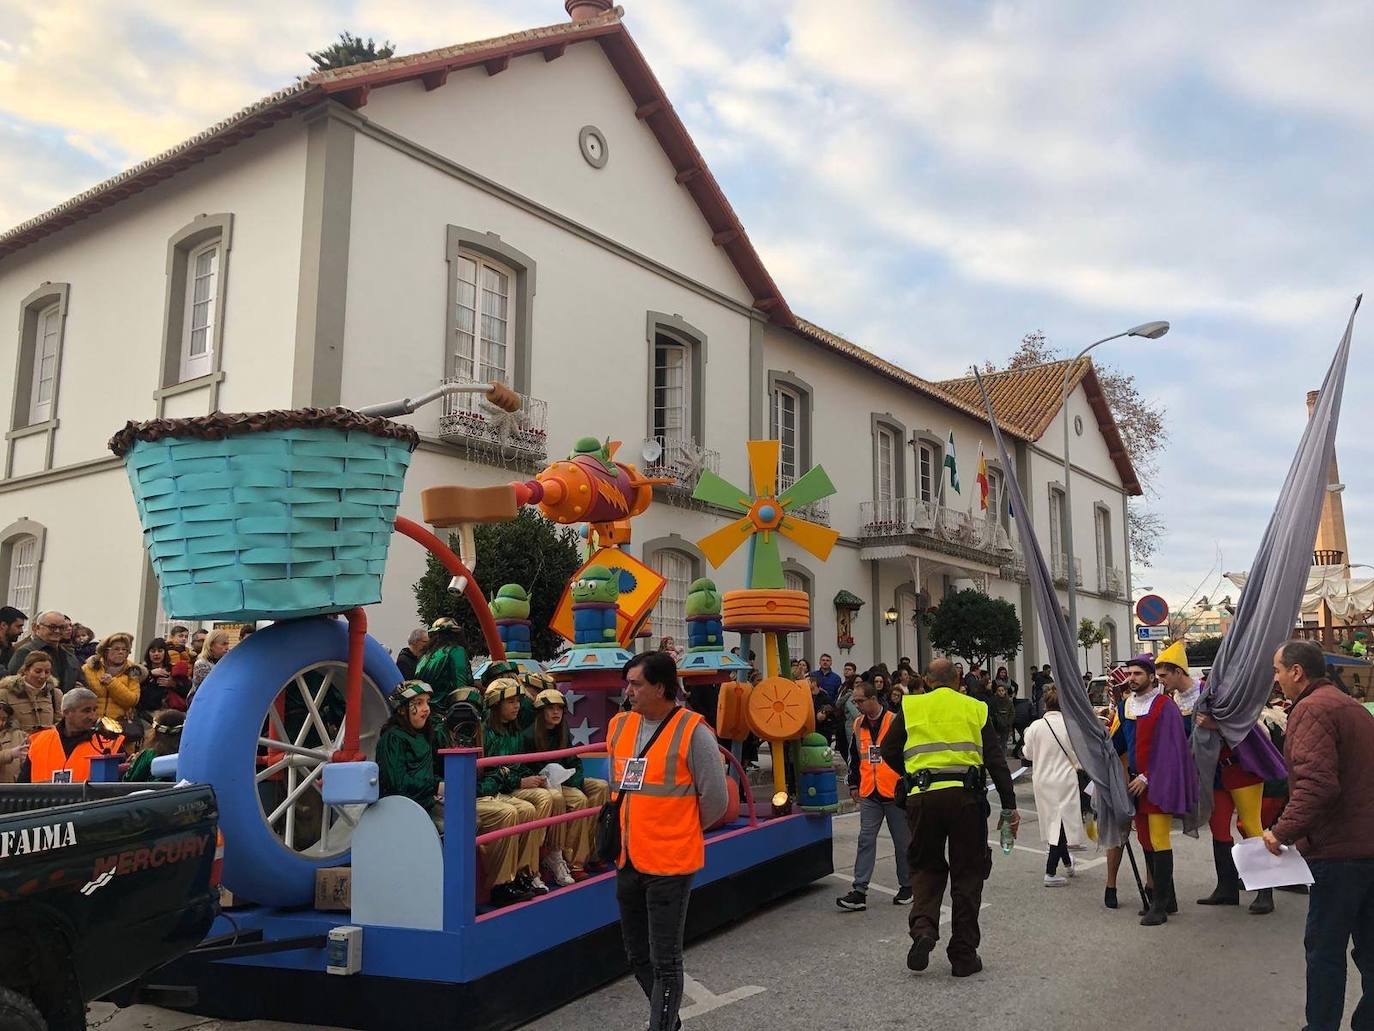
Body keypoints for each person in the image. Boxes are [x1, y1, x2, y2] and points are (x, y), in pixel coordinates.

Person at [609, 651, 727, 1031]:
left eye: (636, 684)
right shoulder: (619, 727)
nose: (628, 691)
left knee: (666, 958)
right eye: (627, 682)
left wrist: (680, 829)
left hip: (670, 863)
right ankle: (669, 1022)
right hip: (628, 859)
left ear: (661, 687)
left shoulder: (694, 732)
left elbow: (716, 800)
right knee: (636, 955)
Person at [880, 657, 1018, 977]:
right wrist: (1009, 808)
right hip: (966, 799)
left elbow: (888, 749)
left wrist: (914, 774)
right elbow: (996, 761)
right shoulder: (975, 708)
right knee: (968, 873)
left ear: (926, 681)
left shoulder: (911, 707)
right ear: (958, 680)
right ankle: (963, 954)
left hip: (922, 798)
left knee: (925, 866)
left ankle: (925, 929)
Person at [1263, 639, 1374, 1031]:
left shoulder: (1310, 709)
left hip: (1338, 852)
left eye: (1278, 670)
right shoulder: (1352, 707)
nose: (1276, 679)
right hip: (1366, 846)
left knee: (1325, 951)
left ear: (1297, 672)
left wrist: (1281, 832)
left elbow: (1317, 786)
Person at [1165, 640, 1285, 916]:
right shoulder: (1175, 701)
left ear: (1178, 672)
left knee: (1253, 827)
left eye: (1164, 674)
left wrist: (1216, 724)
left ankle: (1264, 892)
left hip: (1241, 769)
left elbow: (1244, 719)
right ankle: (1227, 888)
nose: (1161, 680)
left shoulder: (1216, 691)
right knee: (1219, 830)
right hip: (1213, 774)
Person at [1112, 654, 1197, 925]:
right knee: (1145, 840)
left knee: (1160, 840)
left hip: (1158, 781)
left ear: (1150, 677)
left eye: (1138, 674)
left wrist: (1148, 777)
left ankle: (1159, 906)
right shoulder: (1125, 706)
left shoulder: (1164, 706)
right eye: (1130, 673)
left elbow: (1172, 749)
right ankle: (1166, 898)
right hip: (1135, 784)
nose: (1133, 678)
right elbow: (1119, 744)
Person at [482, 677, 565, 892]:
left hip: (510, 786)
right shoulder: (485, 732)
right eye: (510, 701)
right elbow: (491, 773)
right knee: (529, 806)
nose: (517, 705)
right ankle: (525, 870)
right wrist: (518, 779)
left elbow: (517, 766)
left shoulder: (514, 731)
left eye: (518, 701)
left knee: (547, 795)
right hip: (496, 790)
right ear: (495, 705)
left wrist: (527, 777)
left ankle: (530, 868)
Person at [836, 680, 912, 910]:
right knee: (865, 839)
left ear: (873, 699)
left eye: (860, 701)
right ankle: (859, 891)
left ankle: (908, 886)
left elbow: (908, 754)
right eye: (855, 701)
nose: (857, 705)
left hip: (894, 792)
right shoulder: (859, 724)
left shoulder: (894, 721)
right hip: (870, 791)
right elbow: (854, 756)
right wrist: (853, 783)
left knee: (903, 842)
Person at [524, 687, 609, 877]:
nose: (556, 712)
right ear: (541, 711)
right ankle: (574, 861)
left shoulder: (563, 731)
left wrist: (576, 781)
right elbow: (529, 769)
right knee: (579, 799)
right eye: (551, 708)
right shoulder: (529, 736)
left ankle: (595, 851)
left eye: (560, 708)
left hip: (566, 780)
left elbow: (573, 761)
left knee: (601, 786)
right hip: (543, 784)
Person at [1022, 687, 1085, 886]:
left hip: (1042, 779)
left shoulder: (1035, 726)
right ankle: (1050, 871)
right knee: (1061, 823)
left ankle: (1067, 863)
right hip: (1065, 779)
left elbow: (1028, 754)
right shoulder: (1071, 726)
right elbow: (1079, 756)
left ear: (1045, 704)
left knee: (1054, 822)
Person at [376, 681, 446, 830]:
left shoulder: (423, 735)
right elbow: (397, 783)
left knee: (471, 821)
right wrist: (435, 786)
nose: (426, 709)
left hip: (425, 803)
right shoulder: (393, 738)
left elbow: (428, 772)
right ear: (402, 709)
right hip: (402, 810)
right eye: (419, 703)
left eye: (427, 702)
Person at [20, 688, 124, 783]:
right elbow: (22, 788)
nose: (93, 716)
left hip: (91, 803)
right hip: (45, 803)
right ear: (66, 713)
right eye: (86, 711)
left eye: (94, 710)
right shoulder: (40, 741)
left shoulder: (110, 743)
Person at [414, 617, 475, 718]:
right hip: (448, 713)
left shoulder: (424, 657)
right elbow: (461, 686)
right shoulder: (456, 651)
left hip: (426, 713)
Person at [6, 610, 79, 692]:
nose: (57, 631)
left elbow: (81, 682)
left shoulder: (69, 654)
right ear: (37, 628)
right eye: (52, 627)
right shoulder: (25, 651)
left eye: (61, 627)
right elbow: (14, 685)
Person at [82, 632, 145, 725]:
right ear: (105, 651)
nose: (121, 652)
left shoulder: (132, 671)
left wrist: (111, 683)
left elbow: (132, 700)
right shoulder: (89, 668)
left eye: (124, 649)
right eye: (116, 649)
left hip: (118, 724)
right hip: (91, 722)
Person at [0, 650, 61, 732]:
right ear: (26, 671)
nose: (43, 676)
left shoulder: (55, 694)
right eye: (38, 671)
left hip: (46, 742)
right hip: (18, 743)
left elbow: (59, 724)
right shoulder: (5, 694)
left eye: (47, 672)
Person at [124, 709, 185, 782]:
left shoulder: (148, 755)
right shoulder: (190, 755)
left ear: (156, 732)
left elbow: (129, 781)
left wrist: (133, 765)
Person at [190, 629, 231, 698]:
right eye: (223, 644)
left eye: (227, 644)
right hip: (204, 701)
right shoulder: (202, 664)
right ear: (211, 645)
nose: (227, 647)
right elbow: (210, 688)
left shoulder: (226, 661)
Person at [0, 702, 27, 783]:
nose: (1, 723)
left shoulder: (18, 735)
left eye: (4, 719)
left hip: (14, 790)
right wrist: (11, 753)